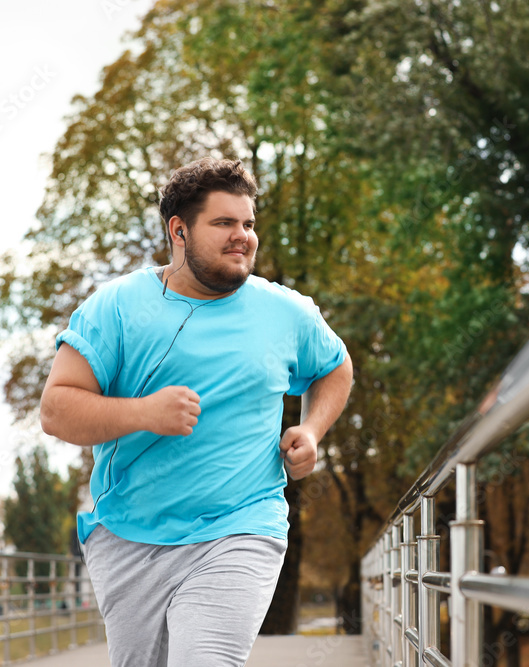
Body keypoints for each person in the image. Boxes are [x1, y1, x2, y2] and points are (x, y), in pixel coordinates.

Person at [39, 157, 353, 666]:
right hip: (128, 534)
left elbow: (336, 368)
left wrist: (312, 430)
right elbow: (56, 410)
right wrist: (143, 413)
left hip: (242, 523)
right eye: (225, 223)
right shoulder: (116, 307)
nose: (243, 237)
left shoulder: (285, 312)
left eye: (248, 224)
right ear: (178, 230)